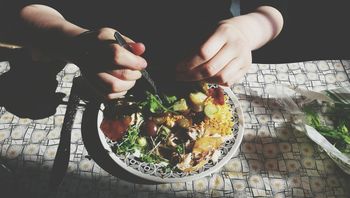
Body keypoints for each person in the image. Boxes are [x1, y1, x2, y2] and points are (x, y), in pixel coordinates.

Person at [2, 0, 284, 100]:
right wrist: (73, 41)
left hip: (206, 62)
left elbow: (285, 11)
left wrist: (249, 29)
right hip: (89, 67)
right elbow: (16, 11)